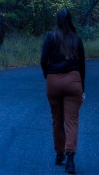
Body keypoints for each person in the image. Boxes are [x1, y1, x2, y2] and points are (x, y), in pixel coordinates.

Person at [40, 9, 86, 173]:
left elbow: (43, 60)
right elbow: (82, 66)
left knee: (57, 120)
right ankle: (70, 159)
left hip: (53, 81)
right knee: (71, 121)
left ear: (57, 20)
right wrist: (82, 89)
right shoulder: (77, 39)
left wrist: (49, 76)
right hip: (73, 81)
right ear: (70, 20)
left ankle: (59, 155)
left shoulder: (50, 37)